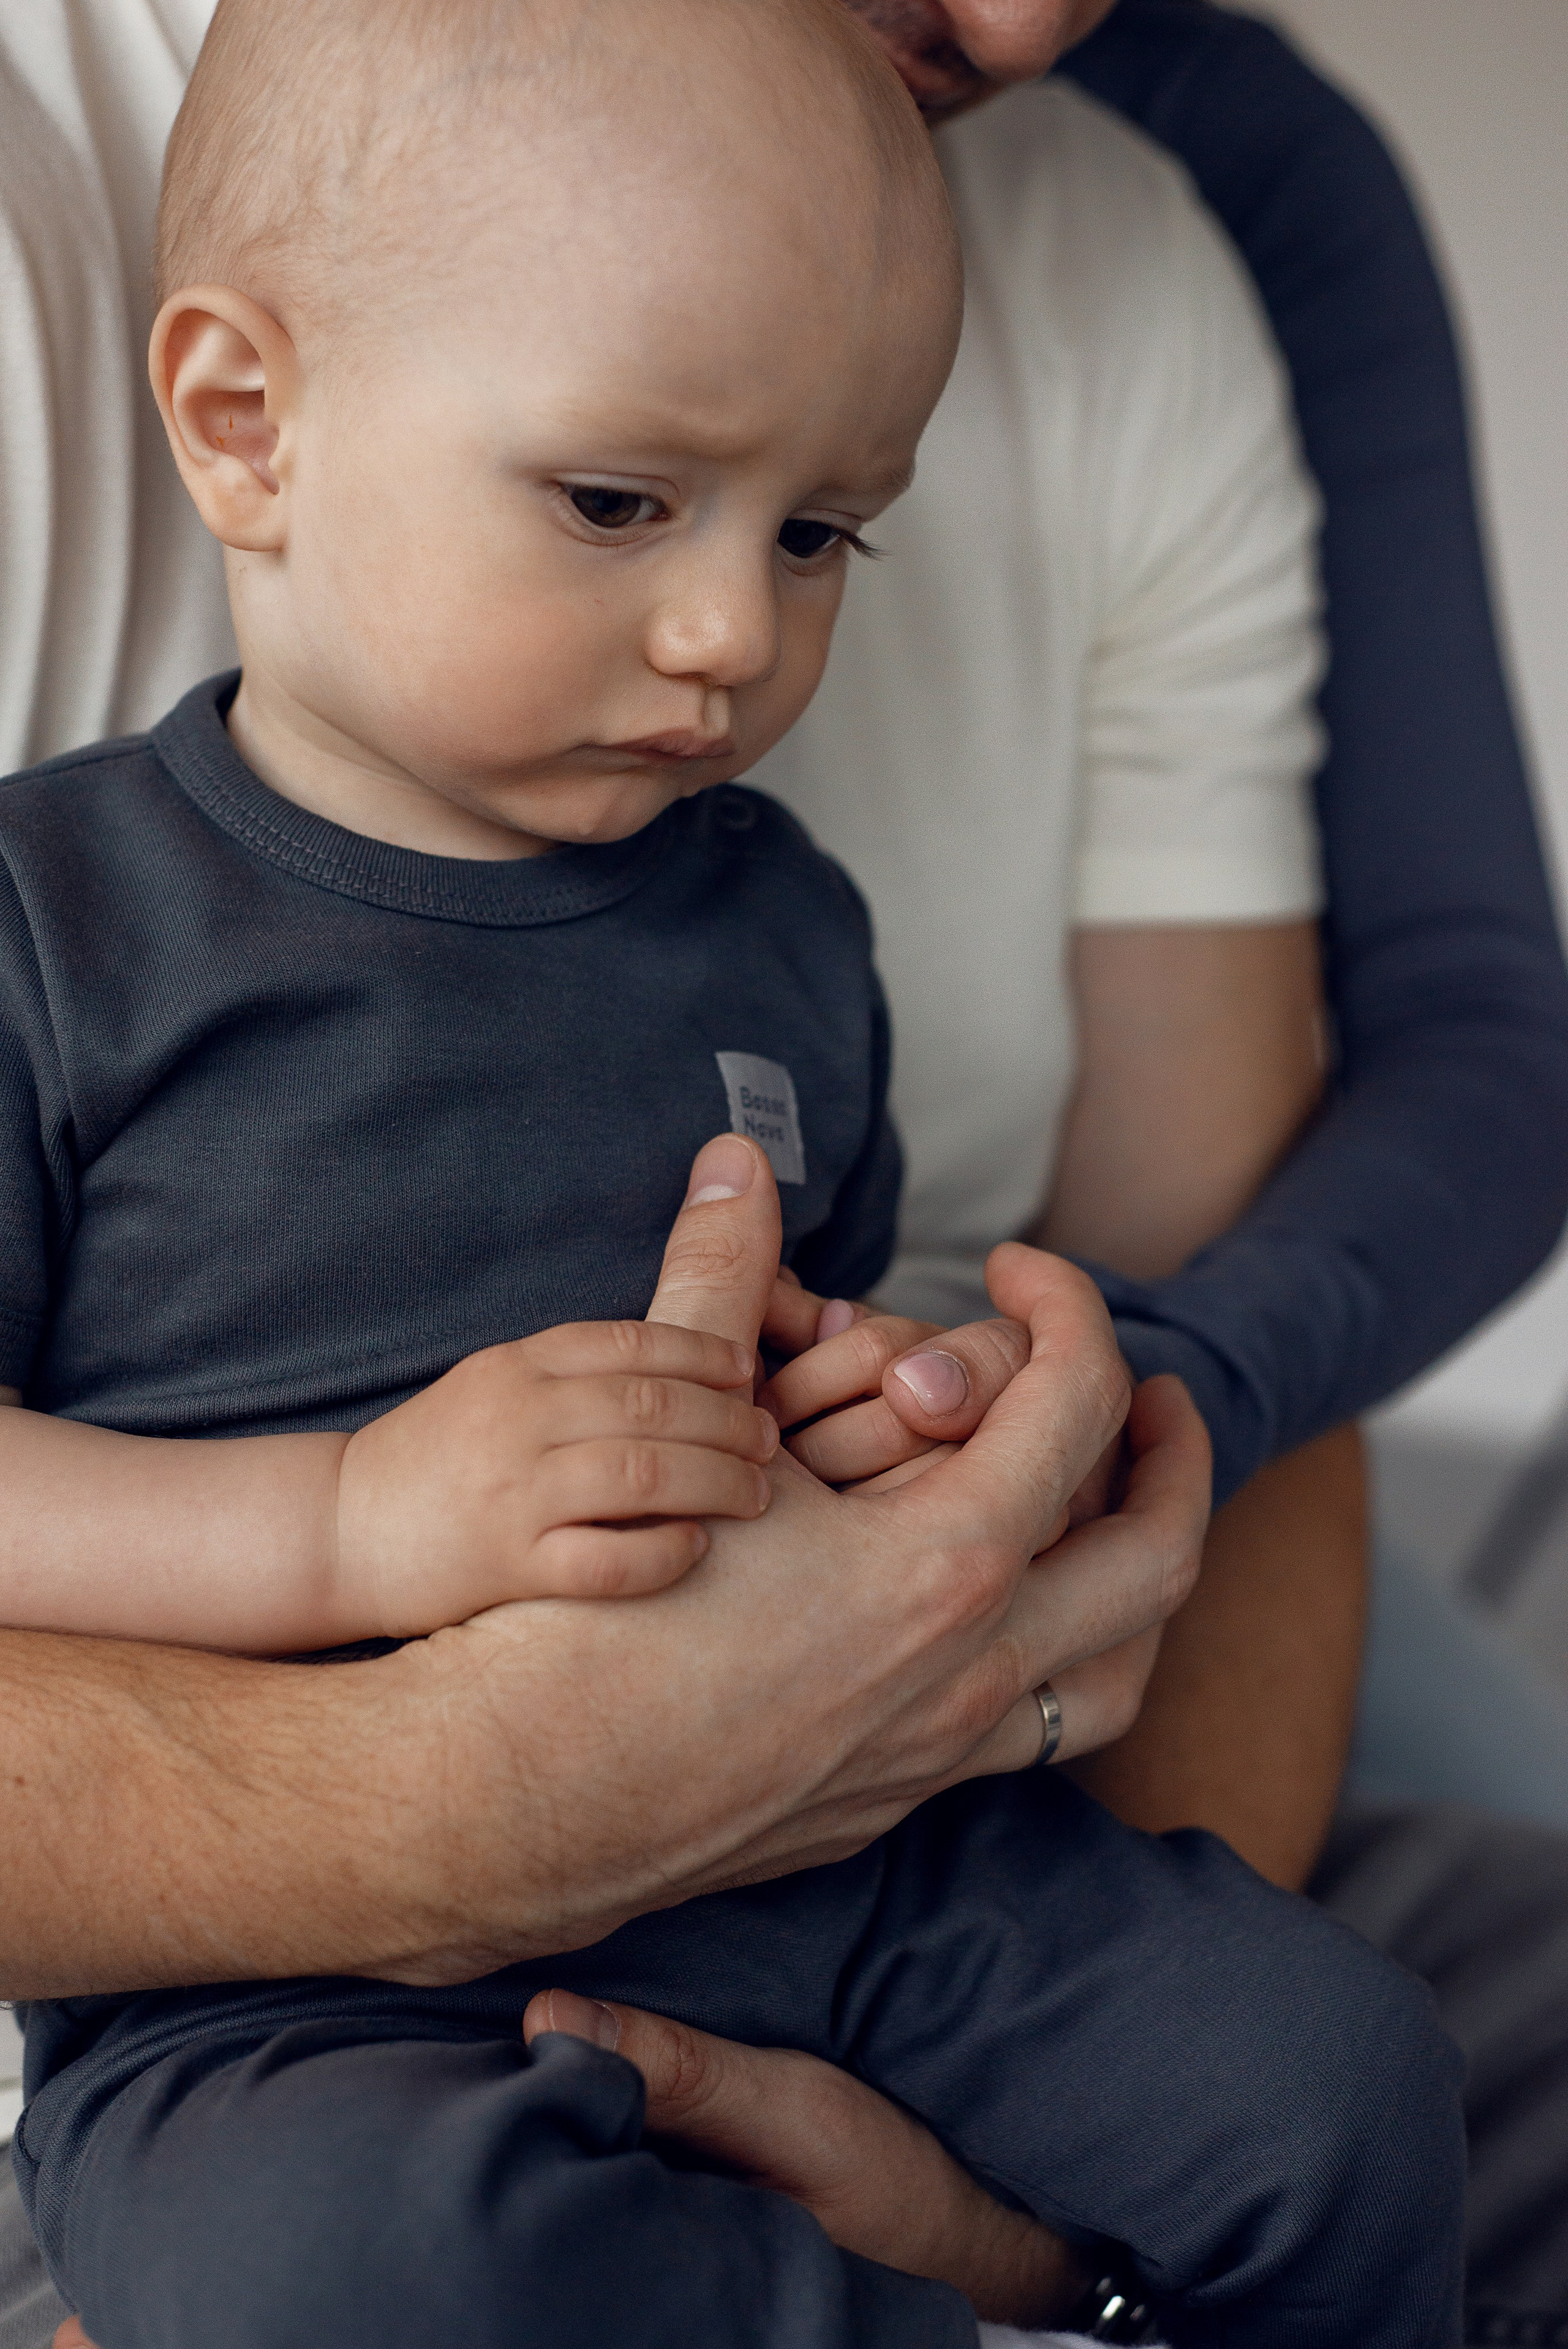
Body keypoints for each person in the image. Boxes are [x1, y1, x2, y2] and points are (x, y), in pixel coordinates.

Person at [0, 0, 1563, 2337]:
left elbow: (875, 1330)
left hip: (863, 1851)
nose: (735, 633)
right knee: (377, 2259)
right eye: (620, 505)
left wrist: (898, 1407)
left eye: (821, 530)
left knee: (1337, 2078)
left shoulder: (782, 926)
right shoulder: (59, 926)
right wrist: (346, 1519)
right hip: (271, 1973)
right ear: (245, 423)